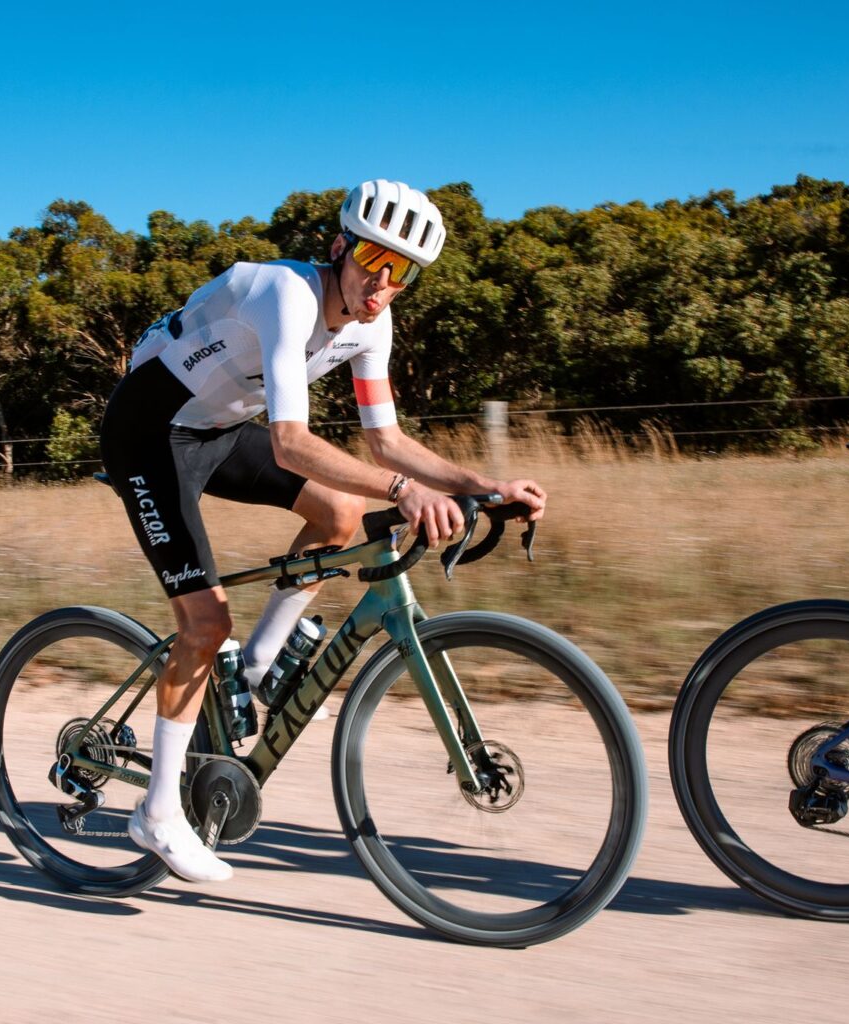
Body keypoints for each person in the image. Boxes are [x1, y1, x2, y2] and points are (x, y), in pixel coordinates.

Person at [100, 179, 547, 882]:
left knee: (338, 517)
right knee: (204, 621)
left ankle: (251, 671)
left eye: (403, 272)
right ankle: (156, 814)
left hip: (215, 429)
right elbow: (289, 443)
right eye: (374, 257)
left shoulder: (375, 323)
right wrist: (406, 495)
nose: (383, 281)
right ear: (341, 247)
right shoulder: (288, 294)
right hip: (148, 432)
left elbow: (389, 444)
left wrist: (484, 486)